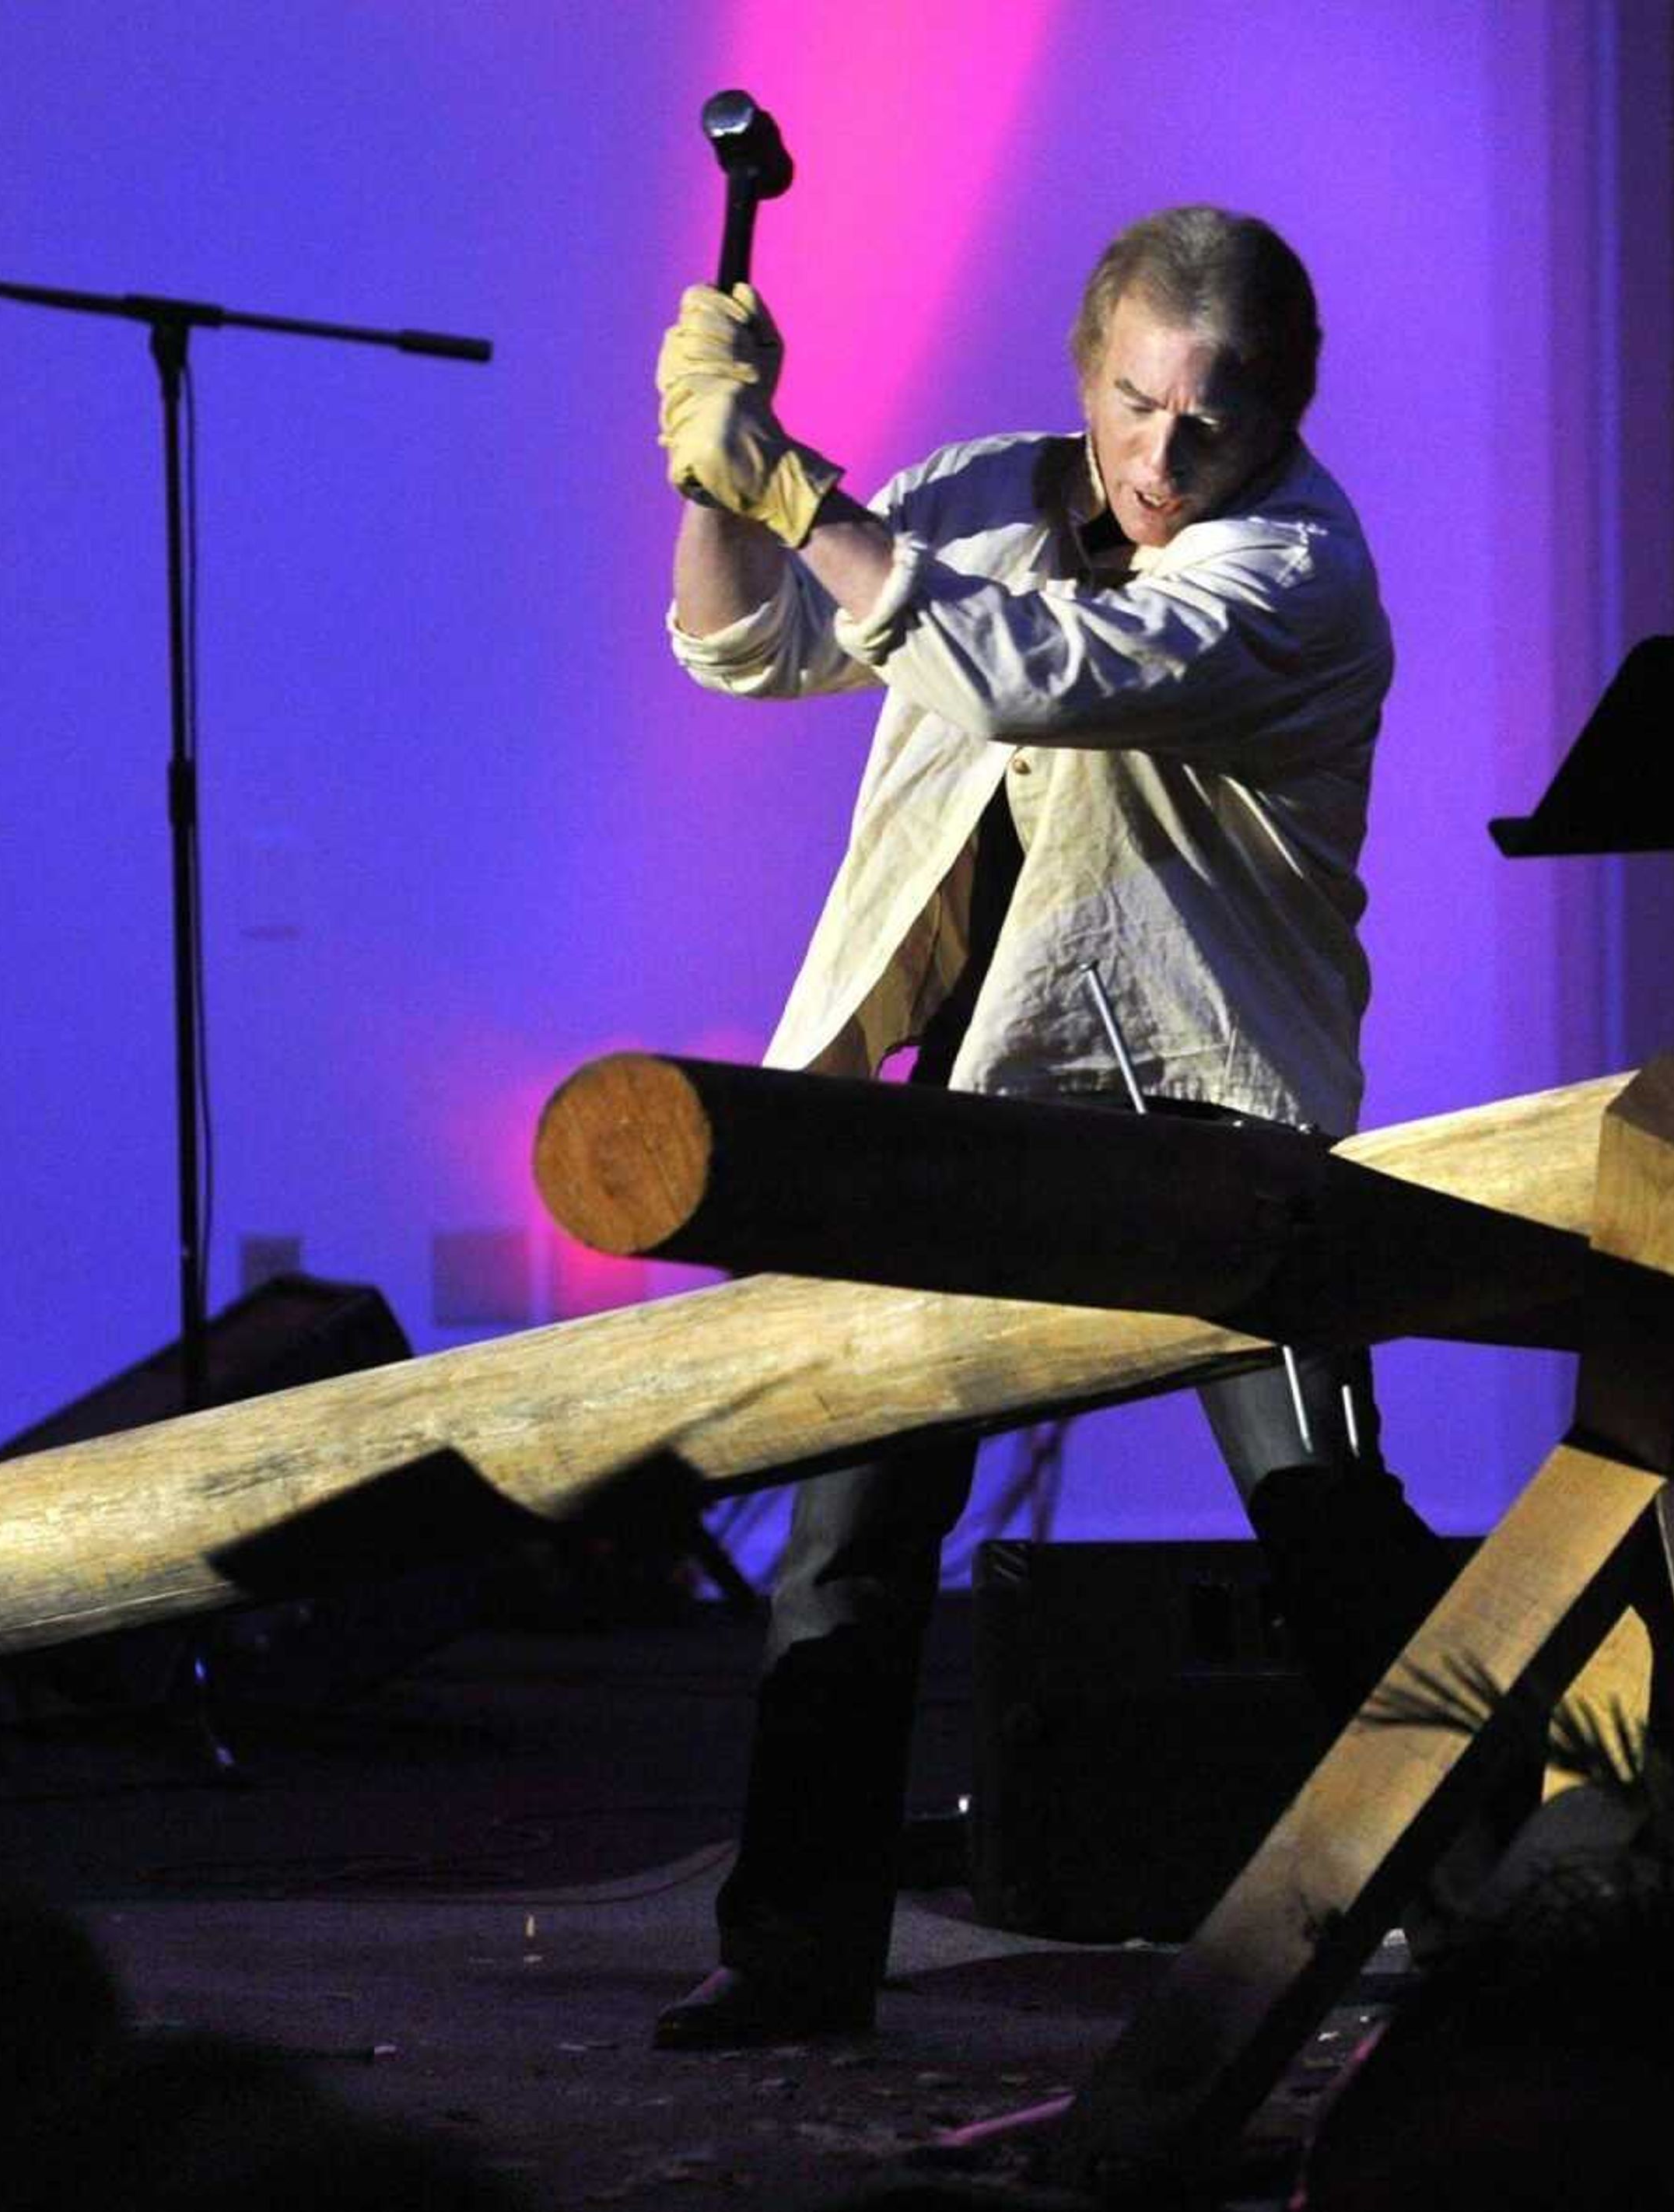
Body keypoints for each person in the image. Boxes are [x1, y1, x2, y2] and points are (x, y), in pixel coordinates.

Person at [651, 205, 1467, 2046]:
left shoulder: (1298, 572)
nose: (1166, 457)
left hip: (1208, 1118)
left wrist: (790, 480)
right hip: (972, 1105)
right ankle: (794, 1958)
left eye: (1215, 420)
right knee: (848, 1542)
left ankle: (1529, 1931)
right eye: (1135, 403)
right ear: (1083, 364)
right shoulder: (979, 493)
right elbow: (747, 648)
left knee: (1330, 1532)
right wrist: (714, 468)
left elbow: (1040, 674)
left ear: (1287, 415)